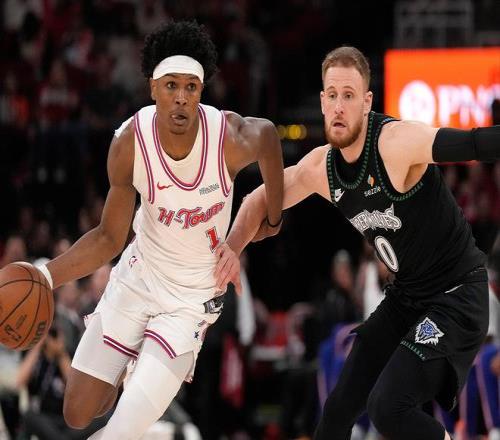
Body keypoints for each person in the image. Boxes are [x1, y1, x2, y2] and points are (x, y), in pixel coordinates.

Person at [216, 46, 500, 440]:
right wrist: (231, 249)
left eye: (348, 95)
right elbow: (260, 199)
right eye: (332, 95)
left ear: (366, 102)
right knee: (335, 414)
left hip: (456, 296)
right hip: (407, 298)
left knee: (388, 406)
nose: (338, 106)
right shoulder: (321, 168)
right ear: (321, 101)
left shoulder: (396, 143)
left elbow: (474, 144)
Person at [33, 20, 283, 440]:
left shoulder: (230, 138)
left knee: (120, 433)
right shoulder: (130, 143)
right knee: (77, 413)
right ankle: (131, 359)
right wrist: (43, 276)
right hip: (140, 276)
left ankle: (147, 368)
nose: (181, 97)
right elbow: (109, 238)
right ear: (153, 88)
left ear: (201, 92)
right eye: (171, 86)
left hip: (189, 301)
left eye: (191, 87)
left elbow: (270, 137)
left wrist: (273, 219)